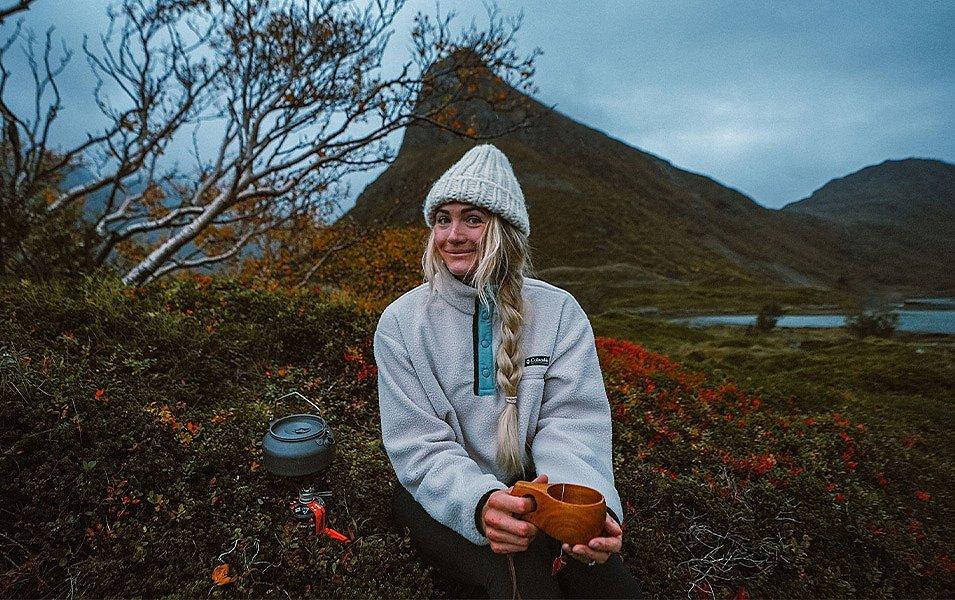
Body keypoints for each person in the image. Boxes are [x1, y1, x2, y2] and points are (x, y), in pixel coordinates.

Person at [374, 144, 641, 598]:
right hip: (440, 497)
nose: (452, 234)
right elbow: (418, 446)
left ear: (506, 231)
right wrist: (479, 504)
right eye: (443, 218)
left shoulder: (558, 312)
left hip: (538, 491)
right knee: (521, 572)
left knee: (608, 584)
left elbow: (572, 424)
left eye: (473, 219)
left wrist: (587, 508)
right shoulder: (401, 324)